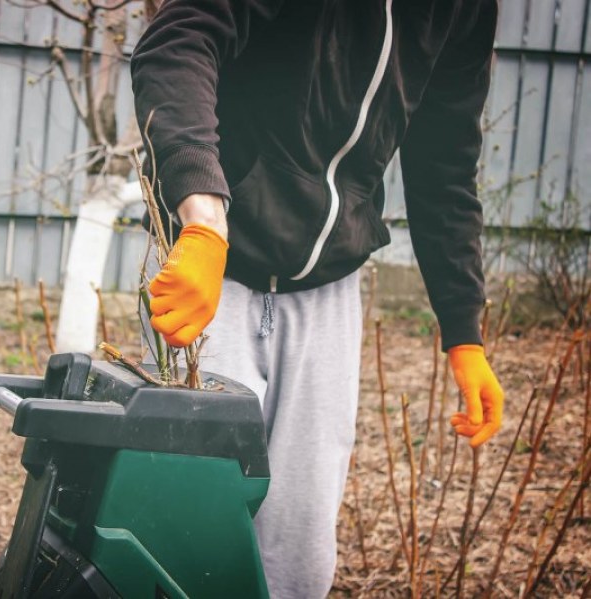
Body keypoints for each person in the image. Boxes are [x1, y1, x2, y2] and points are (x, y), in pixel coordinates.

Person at [130, 1, 505, 596]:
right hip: (218, 271)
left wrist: (464, 332)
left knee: (299, 556)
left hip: (329, 290)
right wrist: (202, 216)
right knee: (182, 530)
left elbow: (445, 161)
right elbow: (177, 42)